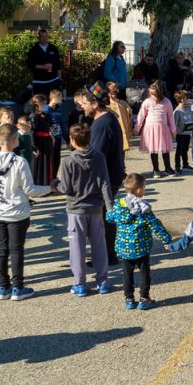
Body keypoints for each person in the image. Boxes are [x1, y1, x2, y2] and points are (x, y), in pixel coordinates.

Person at [0, 123, 51, 301]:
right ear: (13, 140)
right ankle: (18, 287)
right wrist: (49, 188)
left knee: (1, 249)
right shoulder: (20, 161)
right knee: (16, 250)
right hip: (17, 212)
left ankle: (3, 287)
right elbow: (29, 189)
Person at [57, 122, 113, 297]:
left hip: (75, 209)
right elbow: (105, 182)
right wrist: (109, 207)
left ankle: (80, 283)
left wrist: (54, 185)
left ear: (72, 141)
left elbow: (65, 188)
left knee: (77, 247)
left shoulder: (68, 161)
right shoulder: (99, 157)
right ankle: (103, 281)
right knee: (99, 245)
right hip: (96, 207)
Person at [75, 84, 127, 266]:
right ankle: (108, 254)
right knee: (106, 215)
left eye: (84, 103)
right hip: (111, 175)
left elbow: (94, 156)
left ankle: (106, 255)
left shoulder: (102, 125)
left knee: (103, 216)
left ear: (95, 104)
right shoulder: (104, 120)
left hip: (106, 178)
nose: (82, 107)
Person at [106, 172, 172, 310]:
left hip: (124, 248)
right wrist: (166, 239)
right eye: (144, 188)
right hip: (141, 248)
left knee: (127, 274)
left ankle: (129, 299)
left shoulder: (119, 205)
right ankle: (144, 298)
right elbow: (155, 225)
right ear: (138, 190)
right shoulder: (143, 208)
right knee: (144, 273)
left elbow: (109, 217)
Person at [134, 81, 176, 177]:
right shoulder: (147, 102)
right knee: (153, 149)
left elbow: (170, 116)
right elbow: (141, 116)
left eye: (155, 93)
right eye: (151, 93)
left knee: (165, 149)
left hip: (163, 128)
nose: (153, 96)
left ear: (160, 92)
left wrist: (173, 129)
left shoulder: (167, 102)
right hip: (150, 128)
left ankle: (168, 168)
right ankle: (156, 169)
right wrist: (137, 128)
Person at [26, 28, 63, 96]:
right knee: (40, 103)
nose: (44, 38)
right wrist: (43, 67)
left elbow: (58, 64)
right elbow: (29, 64)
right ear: (39, 38)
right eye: (42, 37)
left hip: (53, 80)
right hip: (39, 82)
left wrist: (59, 79)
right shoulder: (33, 50)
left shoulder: (53, 48)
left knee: (54, 103)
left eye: (46, 36)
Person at [29, 94, 54, 186]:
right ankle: (39, 185)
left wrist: (51, 137)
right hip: (39, 142)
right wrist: (34, 146)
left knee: (47, 163)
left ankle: (47, 184)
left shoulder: (46, 115)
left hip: (46, 141)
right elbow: (32, 132)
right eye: (43, 104)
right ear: (36, 105)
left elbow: (48, 128)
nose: (45, 105)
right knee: (39, 165)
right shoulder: (33, 116)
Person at [106, 82, 134, 152]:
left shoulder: (123, 103)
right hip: (114, 131)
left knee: (122, 151)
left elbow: (130, 113)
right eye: (111, 93)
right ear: (107, 93)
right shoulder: (107, 106)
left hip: (123, 130)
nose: (113, 95)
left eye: (114, 93)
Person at [173, 89, 193, 172]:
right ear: (181, 99)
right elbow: (174, 124)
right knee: (179, 150)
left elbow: (192, 118)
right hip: (180, 134)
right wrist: (174, 133)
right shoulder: (177, 111)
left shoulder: (189, 108)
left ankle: (185, 164)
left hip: (187, 133)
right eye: (186, 98)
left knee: (185, 149)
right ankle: (177, 166)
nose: (188, 100)